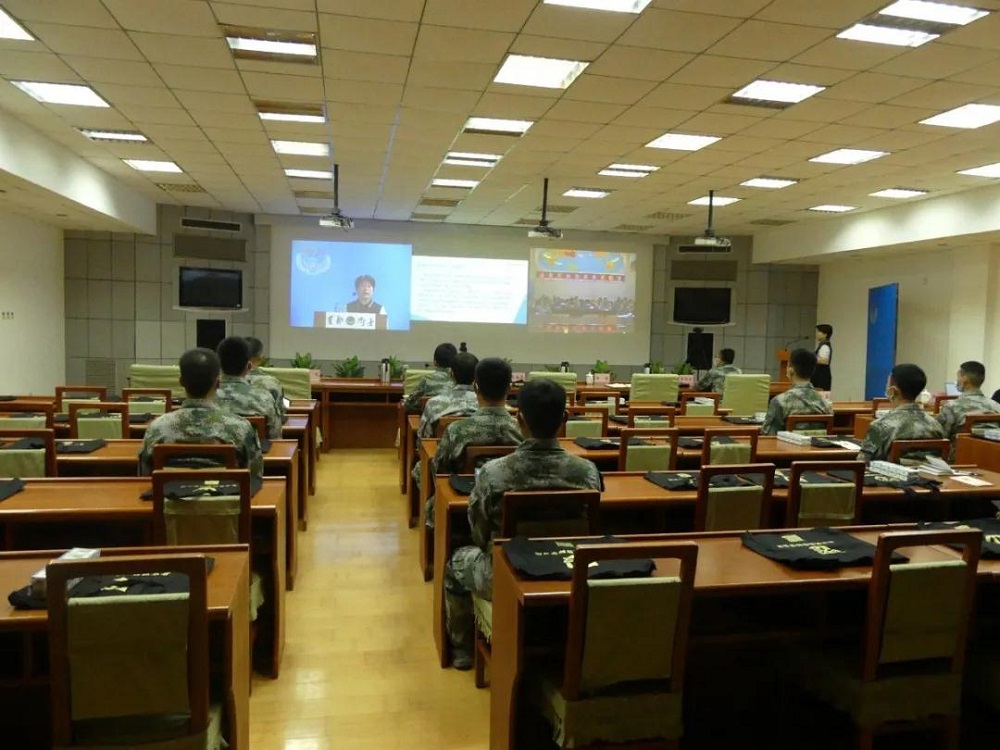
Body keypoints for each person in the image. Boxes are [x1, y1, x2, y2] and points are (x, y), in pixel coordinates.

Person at [443, 378, 602, 669]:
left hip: (507, 572)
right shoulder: (587, 472)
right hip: (572, 568)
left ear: (520, 419)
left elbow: (479, 532)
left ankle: (462, 650)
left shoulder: (493, 473)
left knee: (455, 565)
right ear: (565, 419)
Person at [423, 358, 523, 528]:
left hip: (463, 506)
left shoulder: (457, 430)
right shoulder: (521, 430)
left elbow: (439, 469)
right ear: (509, 389)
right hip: (512, 510)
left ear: (476, 387)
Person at [138, 348, 263, 480]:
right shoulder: (240, 427)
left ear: (181, 382)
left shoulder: (157, 427)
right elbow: (254, 477)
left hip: (168, 492)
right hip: (225, 493)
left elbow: (144, 476)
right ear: (217, 383)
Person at [857, 363, 946, 463]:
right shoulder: (935, 425)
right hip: (928, 473)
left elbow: (862, 463)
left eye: (887, 385)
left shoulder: (881, 426)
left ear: (893, 391)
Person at [214, 337, 282, 440]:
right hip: (256, 449)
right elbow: (275, 436)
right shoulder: (264, 399)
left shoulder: (207, 398)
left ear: (219, 365)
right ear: (249, 366)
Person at [760, 348, 833, 435]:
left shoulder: (780, 402)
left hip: (786, 444)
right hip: (816, 443)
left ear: (791, 370)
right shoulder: (826, 404)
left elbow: (768, 435)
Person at [937, 361, 1000, 458]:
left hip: (958, 459)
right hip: (993, 458)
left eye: (958, 376)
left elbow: (940, 440)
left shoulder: (951, 407)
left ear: (964, 378)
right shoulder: (996, 406)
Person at [417, 352, 481, 439]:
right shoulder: (485, 405)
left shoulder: (434, 403)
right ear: (476, 376)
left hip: (442, 447)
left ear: (451, 374)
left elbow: (423, 438)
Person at [403, 342, 458, 412]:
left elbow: (409, 404)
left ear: (435, 362)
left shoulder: (427, 379)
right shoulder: (459, 380)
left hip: (431, 417)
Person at [244, 336, 287, 424]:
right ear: (260, 358)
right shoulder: (272, 383)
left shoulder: (221, 384)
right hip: (264, 432)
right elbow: (281, 413)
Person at [812, 324, 833, 391]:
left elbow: (825, 361)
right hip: (818, 375)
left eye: (819, 332)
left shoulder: (825, 346)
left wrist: (811, 359)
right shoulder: (822, 345)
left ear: (825, 334)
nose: (817, 334)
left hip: (821, 377)